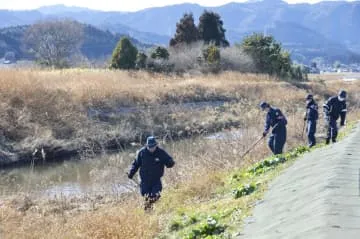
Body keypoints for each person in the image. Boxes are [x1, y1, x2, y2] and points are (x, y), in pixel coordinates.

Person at [127, 136, 175, 210]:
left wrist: (170, 163)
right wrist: (131, 173)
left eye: (153, 146)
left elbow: (169, 161)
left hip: (156, 180)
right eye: (149, 147)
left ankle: (150, 209)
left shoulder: (160, 152)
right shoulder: (142, 153)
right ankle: (148, 214)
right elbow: (136, 164)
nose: (151, 148)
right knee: (146, 197)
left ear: (156, 145)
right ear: (147, 145)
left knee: (155, 195)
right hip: (144, 180)